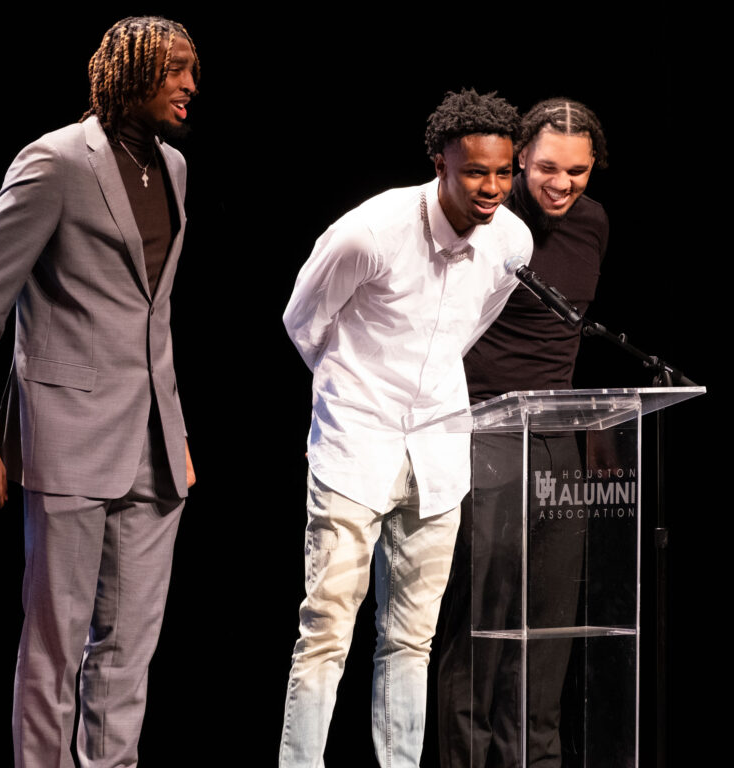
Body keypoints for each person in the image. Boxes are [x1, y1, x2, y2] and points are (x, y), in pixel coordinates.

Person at [0, 16, 200, 768]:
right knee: (55, 646)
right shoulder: (56, 161)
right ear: (130, 72)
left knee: (129, 651)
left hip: (153, 445)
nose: (190, 86)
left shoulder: (174, 169)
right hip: (67, 433)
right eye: (176, 69)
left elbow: (155, 315)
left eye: (193, 70)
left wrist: (175, 430)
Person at [279, 89, 533, 768]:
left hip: (440, 451)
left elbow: (468, 329)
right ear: (439, 162)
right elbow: (304, 322)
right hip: (355, 445)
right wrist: (355, 388)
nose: (492, 188)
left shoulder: (512, 241)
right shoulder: (372, 230)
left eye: (504, 172)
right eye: (475, 171)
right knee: (327, 631)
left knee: (410, 640)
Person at [437, 97, 609, 768]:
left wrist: (591, 427)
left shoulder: (594, 224)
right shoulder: (487, 224)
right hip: (484, 432)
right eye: (545, 168)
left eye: (578, 170)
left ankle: (536, 760)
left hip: (555, 437)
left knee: (551, 624)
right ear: (517, 162)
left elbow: (569, 331)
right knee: (483, 623)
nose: (562, 184)